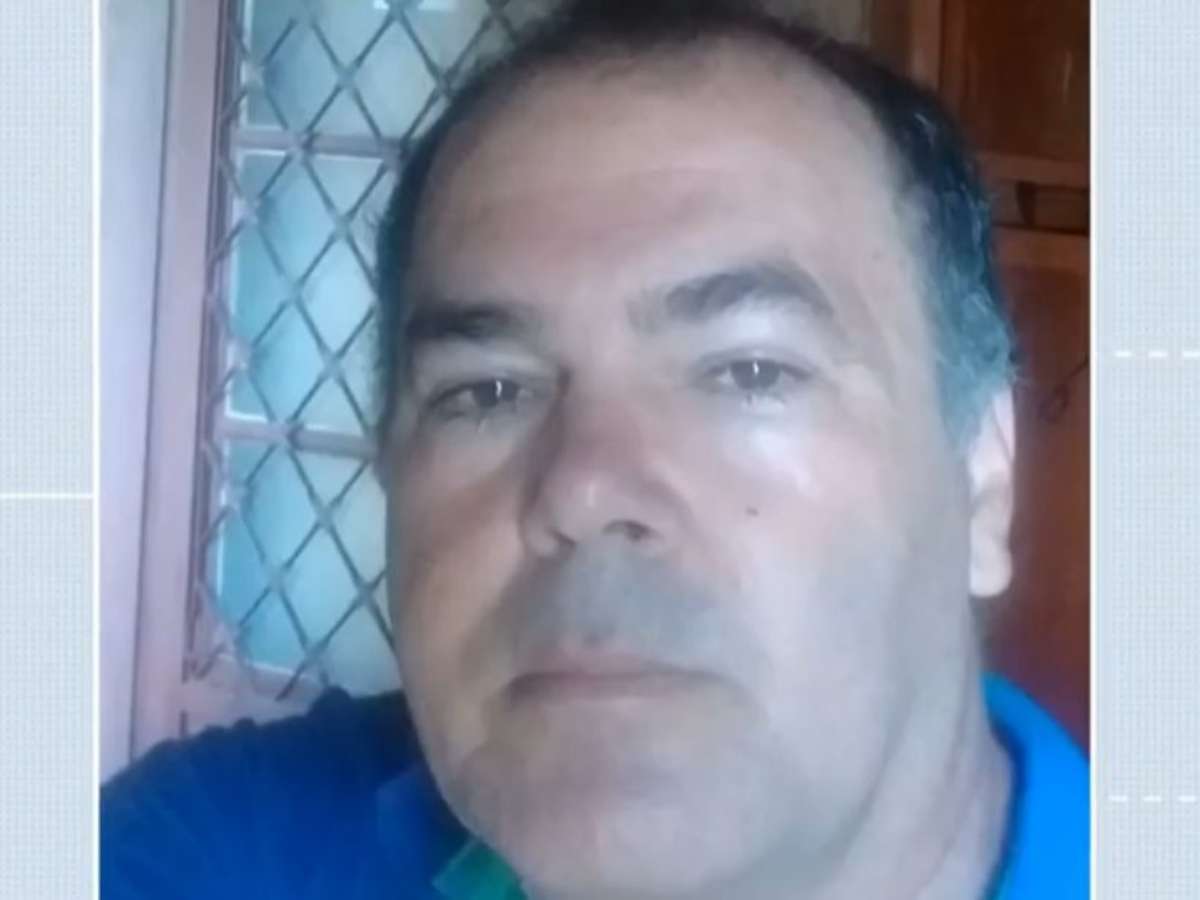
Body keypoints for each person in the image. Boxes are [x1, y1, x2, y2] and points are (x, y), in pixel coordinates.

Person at [101, 2, 1089, 897]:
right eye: (486, 392)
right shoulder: (213, 853)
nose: (582, 486)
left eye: (747, 371)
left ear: (982, 479)